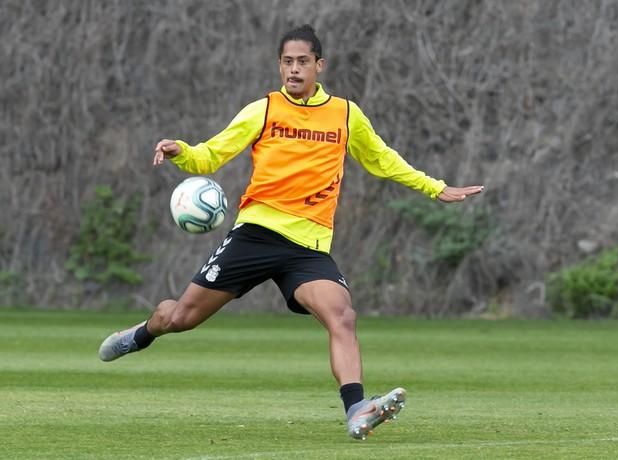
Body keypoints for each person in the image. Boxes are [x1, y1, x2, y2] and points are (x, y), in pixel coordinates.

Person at [99, 24, 483, 440]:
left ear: (320, 66)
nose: (294, 70)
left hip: (308, 246)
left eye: (302, 62)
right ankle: (143, 333)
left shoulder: (345, 114)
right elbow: (211, 155)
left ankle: (357, 408)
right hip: (256, 234)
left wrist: (436, 188)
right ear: (279, 66)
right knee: (180, 318)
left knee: (343, 316)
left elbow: (383, 160)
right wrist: (182, 151)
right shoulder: (262, 110)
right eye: (287, 62)